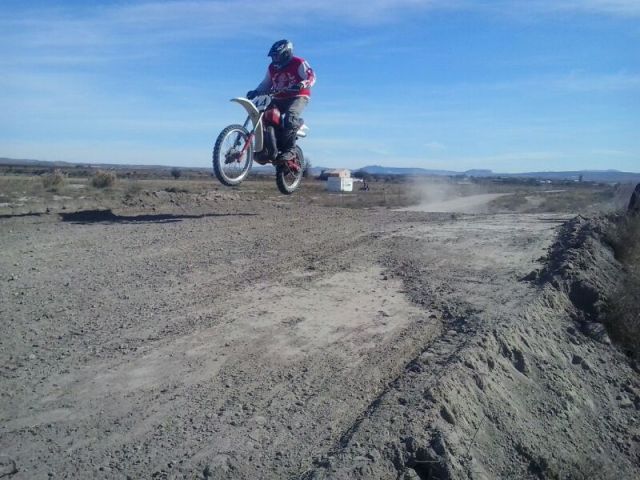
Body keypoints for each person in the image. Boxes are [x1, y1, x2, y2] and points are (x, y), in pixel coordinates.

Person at [247, 39, 316, 163]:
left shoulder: (298, 62)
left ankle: (290, 149)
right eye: (273, 56)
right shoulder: (272, 68)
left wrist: (302, 84)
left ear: (286, 53)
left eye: (277, 55)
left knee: (290, 116)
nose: (274, 59)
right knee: (265, 116)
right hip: (279, 97)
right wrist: (255, 91)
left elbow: (311, 76)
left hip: (298, 96)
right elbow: (266, 83)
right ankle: (268, 149)